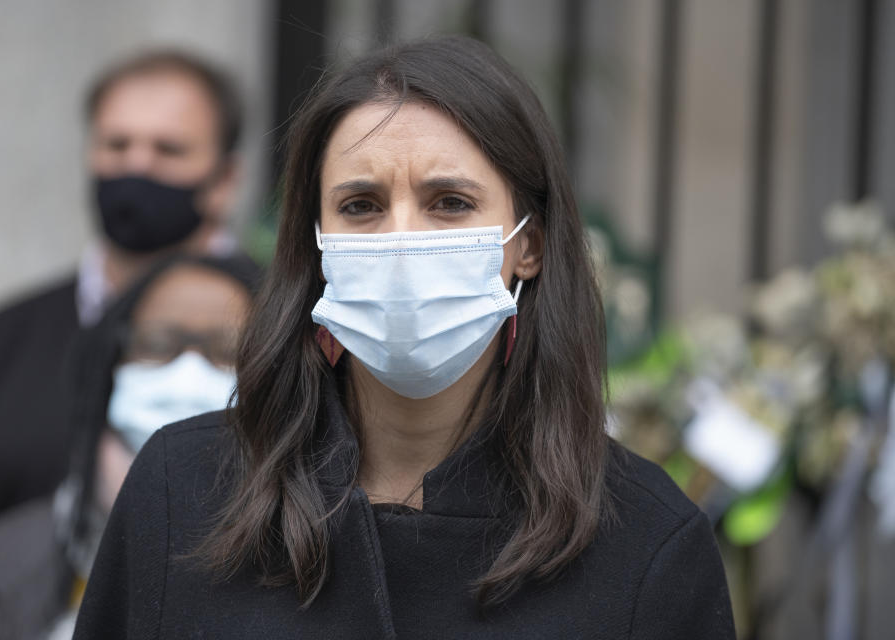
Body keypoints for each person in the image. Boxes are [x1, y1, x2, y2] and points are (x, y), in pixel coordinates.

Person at [76, 36, 736, 638]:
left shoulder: (645, 540)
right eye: (360, 206)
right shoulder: (183, 492)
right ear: (318, 243)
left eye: (449, 202)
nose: (401, 240)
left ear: (527, 245)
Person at [0, 49, 245, 638]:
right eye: (117, 145)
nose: (136, 166)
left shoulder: (284, 339)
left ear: (224, 178)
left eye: (168, 150)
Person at [0, 254, 259, 640]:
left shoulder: (307, 562)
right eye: (157, 343)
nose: (188, 374)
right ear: (110, 364)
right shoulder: (12, 557)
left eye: (228, 351)